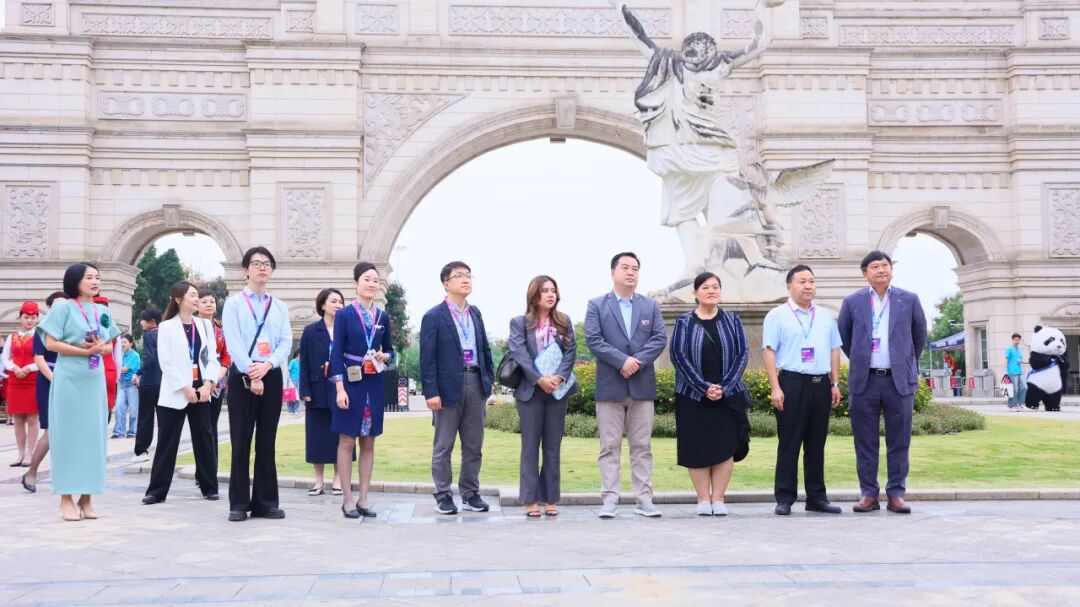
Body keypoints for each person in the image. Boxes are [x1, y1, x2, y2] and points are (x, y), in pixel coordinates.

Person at [838, 251, 927, 515]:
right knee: (865, 441)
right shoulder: (852, 302)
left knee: (899, 440)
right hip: (865, 381)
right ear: (865, 273)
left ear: (892, 269)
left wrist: (903, 361)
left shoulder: (908, 300)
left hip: (897, 382)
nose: (881, 270)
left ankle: (896, 493)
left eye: (885, 265)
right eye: (875, 266)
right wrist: (862, 358)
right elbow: (845, 338)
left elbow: (919, 336)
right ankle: (869, 493)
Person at [584, 252, 668, 519]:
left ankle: (644, 499)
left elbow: (659, 339)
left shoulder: (650, 306)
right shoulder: (597, 305)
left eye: (635, 268)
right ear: (613, 272)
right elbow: (593, 340)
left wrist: (636, 362)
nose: (631, 272)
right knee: (609, 447)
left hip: (642, 387)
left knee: (642, 447)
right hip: (610, 387)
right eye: (625, 267)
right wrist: (622, 361)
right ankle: (610, 499)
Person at [37, 262, 121, 521]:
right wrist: (84, 351)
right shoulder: (63, 307)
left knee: (93, 437)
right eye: (89, 277)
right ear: (75, 281)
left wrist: (102, 348)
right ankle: (65, 498)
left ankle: (87, 498)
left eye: (97, 277)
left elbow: (109, 343)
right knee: (67, 436)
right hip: (69, 377)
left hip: (94, 379)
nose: (95, 282)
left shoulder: (102, 311)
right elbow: (51, 343)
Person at [763, 264, 843, 516]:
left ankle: (817, 498)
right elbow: (769, 351)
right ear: (789, 286)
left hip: (821, 384)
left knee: (817, 443)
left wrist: (835, 383)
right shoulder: (777, 315)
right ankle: (785, 497)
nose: (808, 286)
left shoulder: (826, 316)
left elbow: (834, 349)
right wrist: (775, 387)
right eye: (802, 281)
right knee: (789, 442)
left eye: (811, 281)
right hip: (792, 383)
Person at [669, 272, 749, 517]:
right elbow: (678, 356)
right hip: (693, 396)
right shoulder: (684, 322)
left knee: (725, 446)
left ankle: (719, 498)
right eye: (705, 287)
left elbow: (742, 353)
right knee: (698, 447)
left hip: (727, 395)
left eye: (715, 286)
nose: (711, 291)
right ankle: (703, 499)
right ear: (695, 293)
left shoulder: (732, 320)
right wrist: (703, 387)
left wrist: (725, 386)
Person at [221, 246, 292, 522]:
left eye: (267, 264)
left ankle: (266, 502)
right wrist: (253, 373)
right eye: (256, 263)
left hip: (270, 373)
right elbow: (233, 341)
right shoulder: (234, 304)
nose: (262, 268)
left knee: (266, 440)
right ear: (246, 270)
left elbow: (285, 341)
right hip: (243, 374)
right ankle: (238, 503)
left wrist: (268, 366)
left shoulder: (279, 306)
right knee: (241, 440)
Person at [420, 261, 495, 515]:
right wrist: (431, 392)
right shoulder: (434, 316)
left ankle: (470, 494)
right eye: (459, 276)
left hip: (475, 381)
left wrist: (488, 379)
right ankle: (443, 495)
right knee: (444, 445)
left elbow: (485, 348)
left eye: (468, 275)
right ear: (446, 283)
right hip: (446, 387)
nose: (465, 280)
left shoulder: (475, 314)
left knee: (474, 445)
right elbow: (427, 359)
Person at [142, 282, 221, 505]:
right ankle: (156, 491)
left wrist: (208, 384)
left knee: (204, 440)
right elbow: (165, 362)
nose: (196, 299)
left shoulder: (204, 326)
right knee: (167, 442)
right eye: (192, 295)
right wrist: (184, 388)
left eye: (197, 295)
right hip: (176, 391)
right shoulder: (166, 327)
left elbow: (212, 358)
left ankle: (209, 487)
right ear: (178, 299)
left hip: (201, 390)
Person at [507, 275, 577, 517]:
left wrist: (559, 378)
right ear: (534, 295)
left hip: (557, 391)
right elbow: (519, 353)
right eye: (545, 290)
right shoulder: (519, 323)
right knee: (530, 447)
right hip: (531, 392)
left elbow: (571, 352)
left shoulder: (563, 321)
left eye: (553, 290)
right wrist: (539, 379)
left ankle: (550, 498)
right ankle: (530, 499)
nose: (550, 294)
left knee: (553, 446)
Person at [330, 263, 395, 518]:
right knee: (347, 441)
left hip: (374, 383)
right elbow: (336, 353)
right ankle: (347, 499)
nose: (371, 284)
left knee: (369, 441)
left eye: (375, 280)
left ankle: (364, 499)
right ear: (356, 283)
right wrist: (339, 389)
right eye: (367, 279)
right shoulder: (345, 315)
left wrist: (384, 355)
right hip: (350, 383)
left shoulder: (382, 317)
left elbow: (390, 351)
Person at [298, 288, 347, 497]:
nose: (338, 305)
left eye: (340, 302)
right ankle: (319, 481)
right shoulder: (311, 331)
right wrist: (305, 390)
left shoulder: (346, 329)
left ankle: (338, 479)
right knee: (316, 437)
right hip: (317, 389)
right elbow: (305, 362)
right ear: (322, 305)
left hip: (341, 389)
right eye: (334, 301)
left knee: (340, 436)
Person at [22, 291, 67, 493]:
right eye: (56, 304)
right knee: (52, 430)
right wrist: (56, 380)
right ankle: (32, 472)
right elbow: (39, 359)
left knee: (70, 430)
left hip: (71, 380)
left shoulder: (73, 328)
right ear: (48, 308)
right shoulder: (43, 329)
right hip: (49, 381)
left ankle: (65, 474)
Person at [4, 301, 41, 466]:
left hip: (32, 380)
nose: (29, 321)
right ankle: (20, 453)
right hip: (15, 380)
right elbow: (4, 359)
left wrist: (28, 368)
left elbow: (42, 359)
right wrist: (14, 367)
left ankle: (30, 454)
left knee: (32, 418)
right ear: (20, 318)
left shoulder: (40, 336)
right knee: (17, 418)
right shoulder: (11, 337)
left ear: (37, 319)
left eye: (33, 317)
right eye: (26, 317)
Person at [197, 288, 230, 456]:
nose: (209, 304)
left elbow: (226, 356)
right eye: (204, 301)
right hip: (197, 381)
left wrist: (216, 379)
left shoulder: (221, 329)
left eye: (212, 301)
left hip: (217, 383)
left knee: (212, 424)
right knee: (200, 425)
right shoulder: (191, 327)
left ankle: (212, 464)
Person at [132, 308, 162, 463]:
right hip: (162, 382)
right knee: (163, 419)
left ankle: (141, 450)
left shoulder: (149, 335)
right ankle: (163, 451)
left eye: (143, 320)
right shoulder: (164, 334)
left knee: (145, 417)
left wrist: (138, 372)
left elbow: (149, 358)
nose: (141, 322)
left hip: (149, 382)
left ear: (152, 321)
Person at [94, 296, 122, 423]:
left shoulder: (89, 326)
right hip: (109, 370)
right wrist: (117, 378)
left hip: (93, 368)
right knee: (107, 404)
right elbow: (118, 357)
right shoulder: (113, 329)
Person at [111, 334, 141, 439]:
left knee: (133, 411)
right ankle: (118, 432)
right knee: (119, 408)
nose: (122, 344)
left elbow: (124, 369)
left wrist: (116, 368)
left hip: (132, 385)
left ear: (131, 344)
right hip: (121, 384)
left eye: (125, 342)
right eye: (122, 342)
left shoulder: (135, 355)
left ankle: (132, 431)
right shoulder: (121, 355)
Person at [1005, 333, 1027, 410]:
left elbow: (1019, 361)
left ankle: (1020, 403)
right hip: (1012, 372)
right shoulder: (1009, 349)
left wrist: (1029, 362)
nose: (1017, 341)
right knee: (1015, 389)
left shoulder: (1019, 350)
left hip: (1019, 371)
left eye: (1018, 340)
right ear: (1012, 340)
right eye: (1015, 340)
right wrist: (1006, 371)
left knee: (1024, 387)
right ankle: (1013, 405)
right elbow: (1006, 360)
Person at [287, 351, 302, 417]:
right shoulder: (292, 361)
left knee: (297, 395)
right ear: (298, 354)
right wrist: (289, 379)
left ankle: (296, 410)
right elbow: (288, 370)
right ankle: (290, 410)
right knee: (291, 395)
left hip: (299, 380)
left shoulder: (301, 362)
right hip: (293, 380)